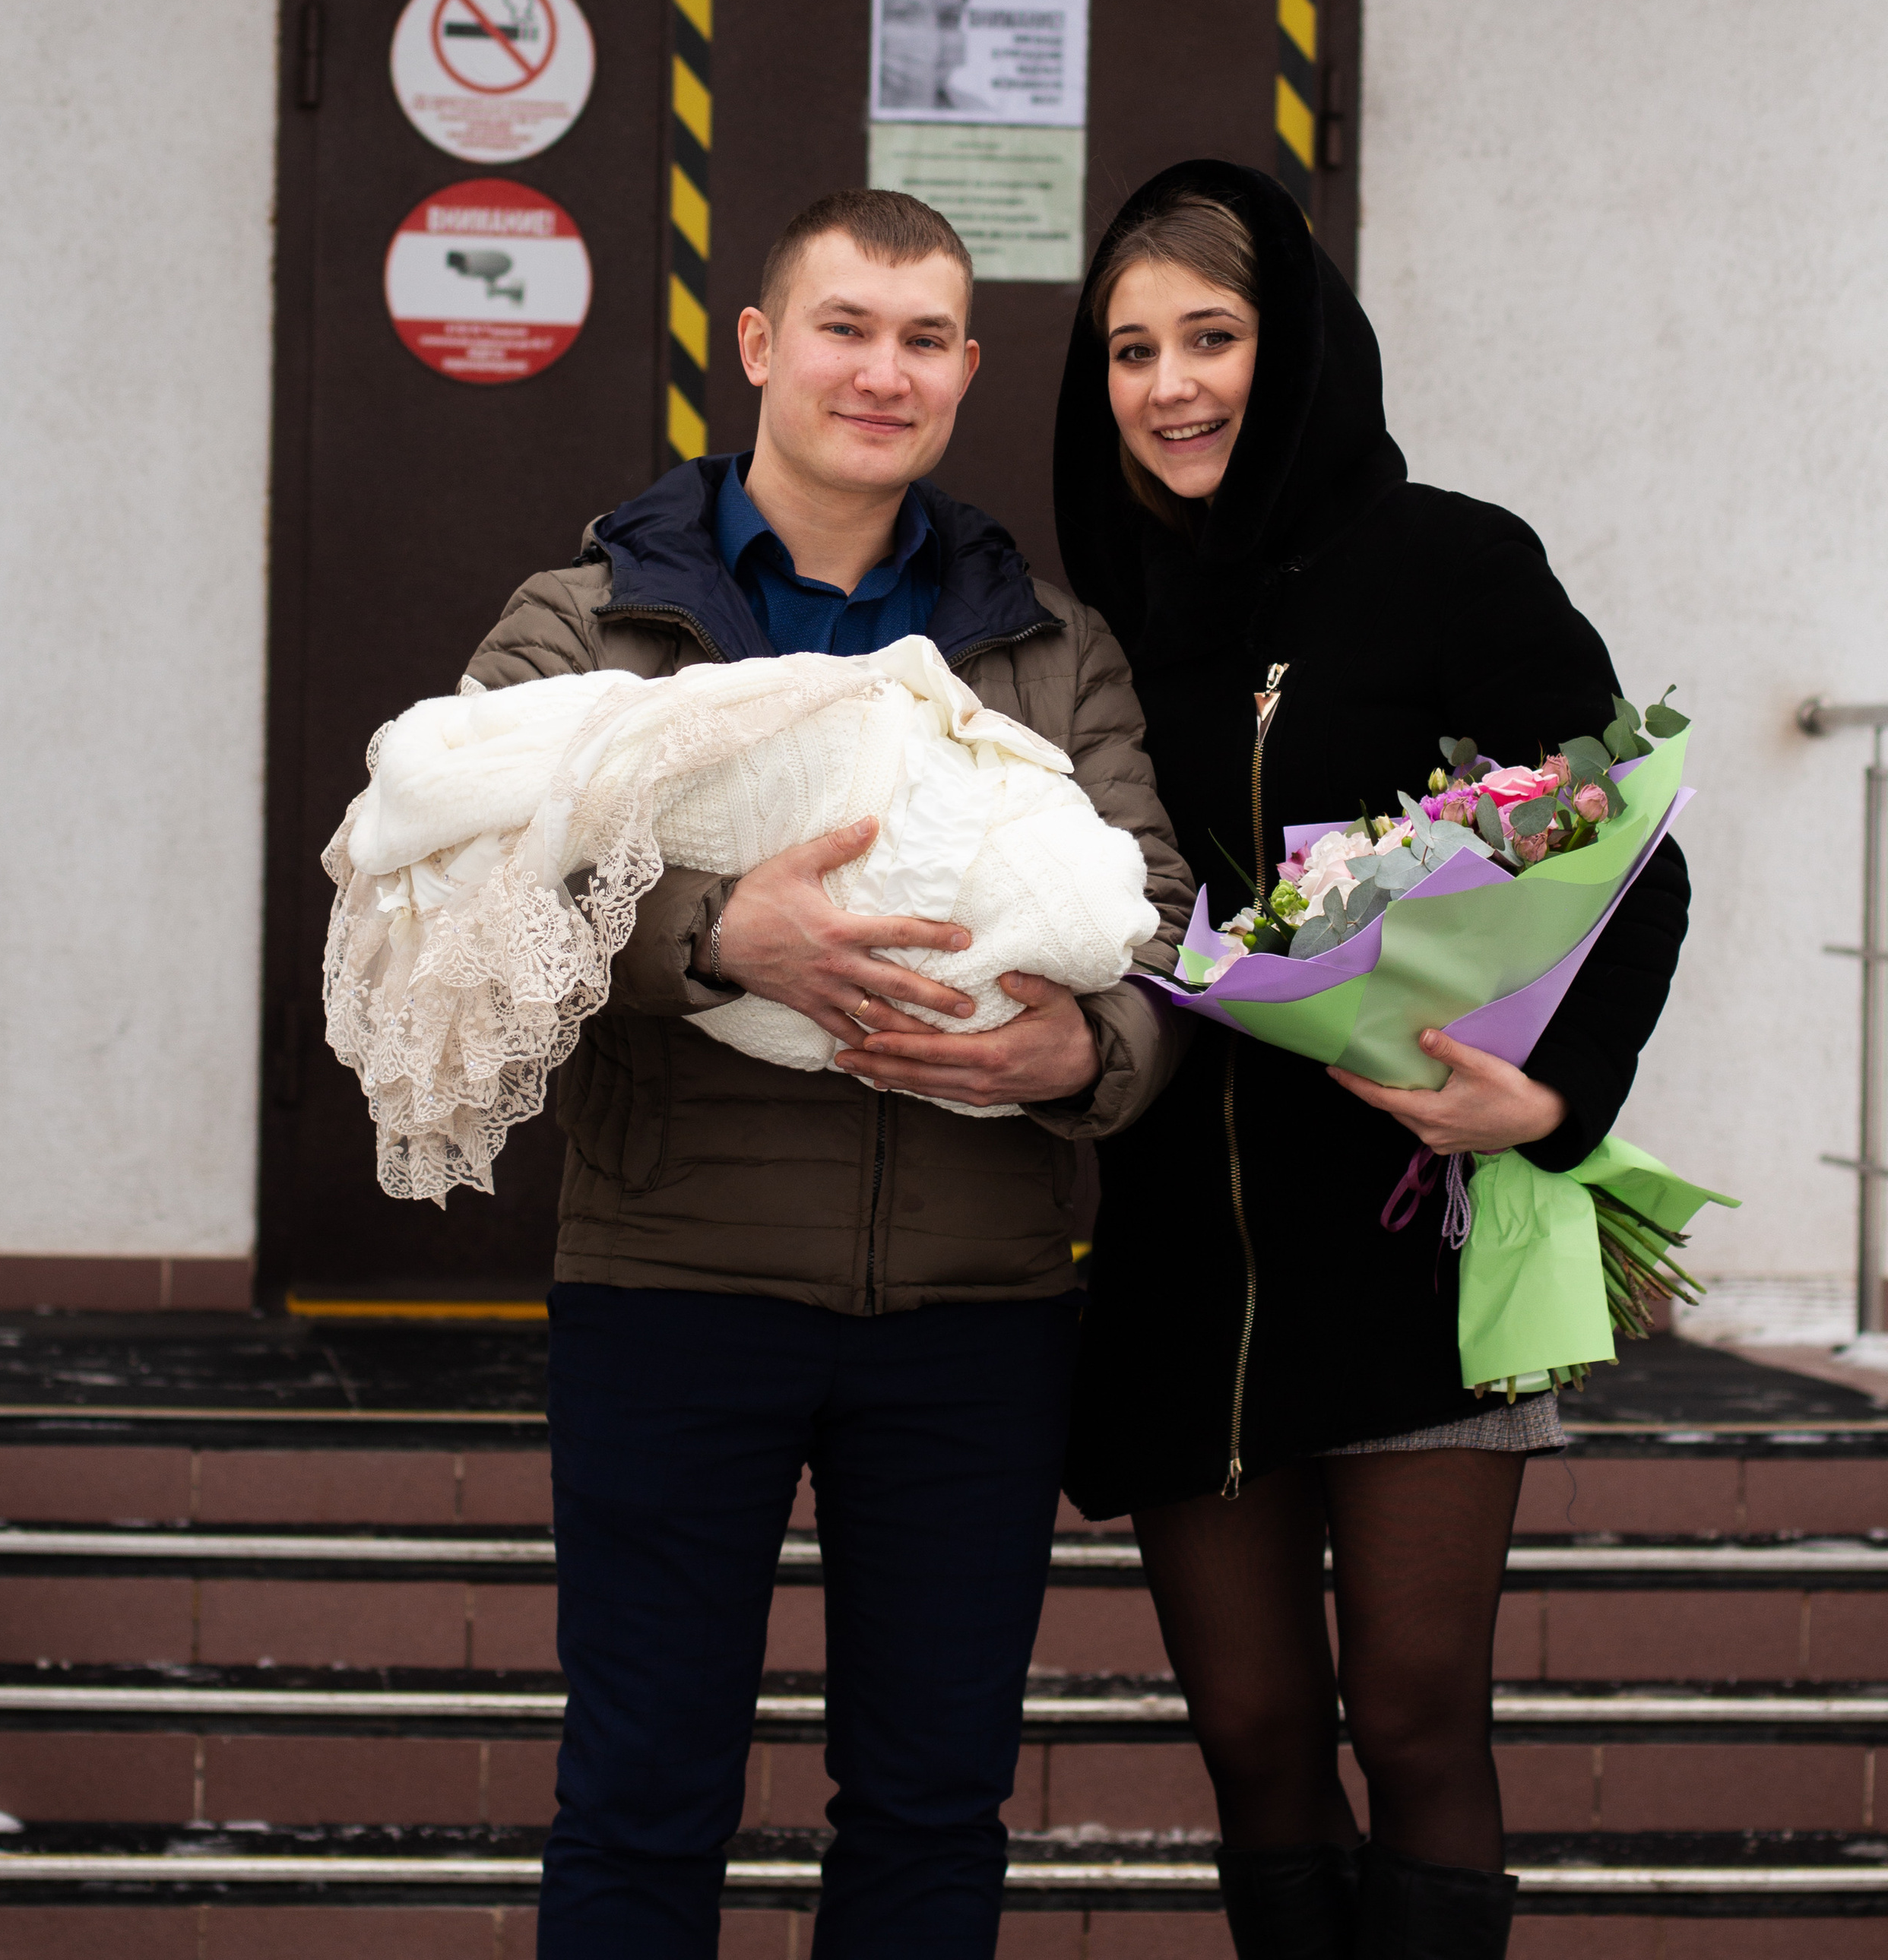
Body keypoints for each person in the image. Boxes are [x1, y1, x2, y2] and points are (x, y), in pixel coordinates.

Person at [464, 185, 1193, 1958]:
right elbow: (463, 894)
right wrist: (716, 939)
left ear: (962, 370)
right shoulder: (597, 615)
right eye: (847, 327)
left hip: (975, 1307)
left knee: (934, 1807)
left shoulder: (1047, 641)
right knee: (642, 1798)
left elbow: (1165, 925)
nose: (885, 370)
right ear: (760, 347)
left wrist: (1084, 1048)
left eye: (925, 337)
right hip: (671, 1286)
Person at [1050, 160, 1690, 1960]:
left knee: (1413, 1723)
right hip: (1184, 1261)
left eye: (1212, 335)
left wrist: (1552, 1100)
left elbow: (1618, 854)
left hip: (1411, 1239)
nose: (1169, 385)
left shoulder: (1449, 564)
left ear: (1301, 345)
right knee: (1250, 1739)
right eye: (1127, 350)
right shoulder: (1101, 619)